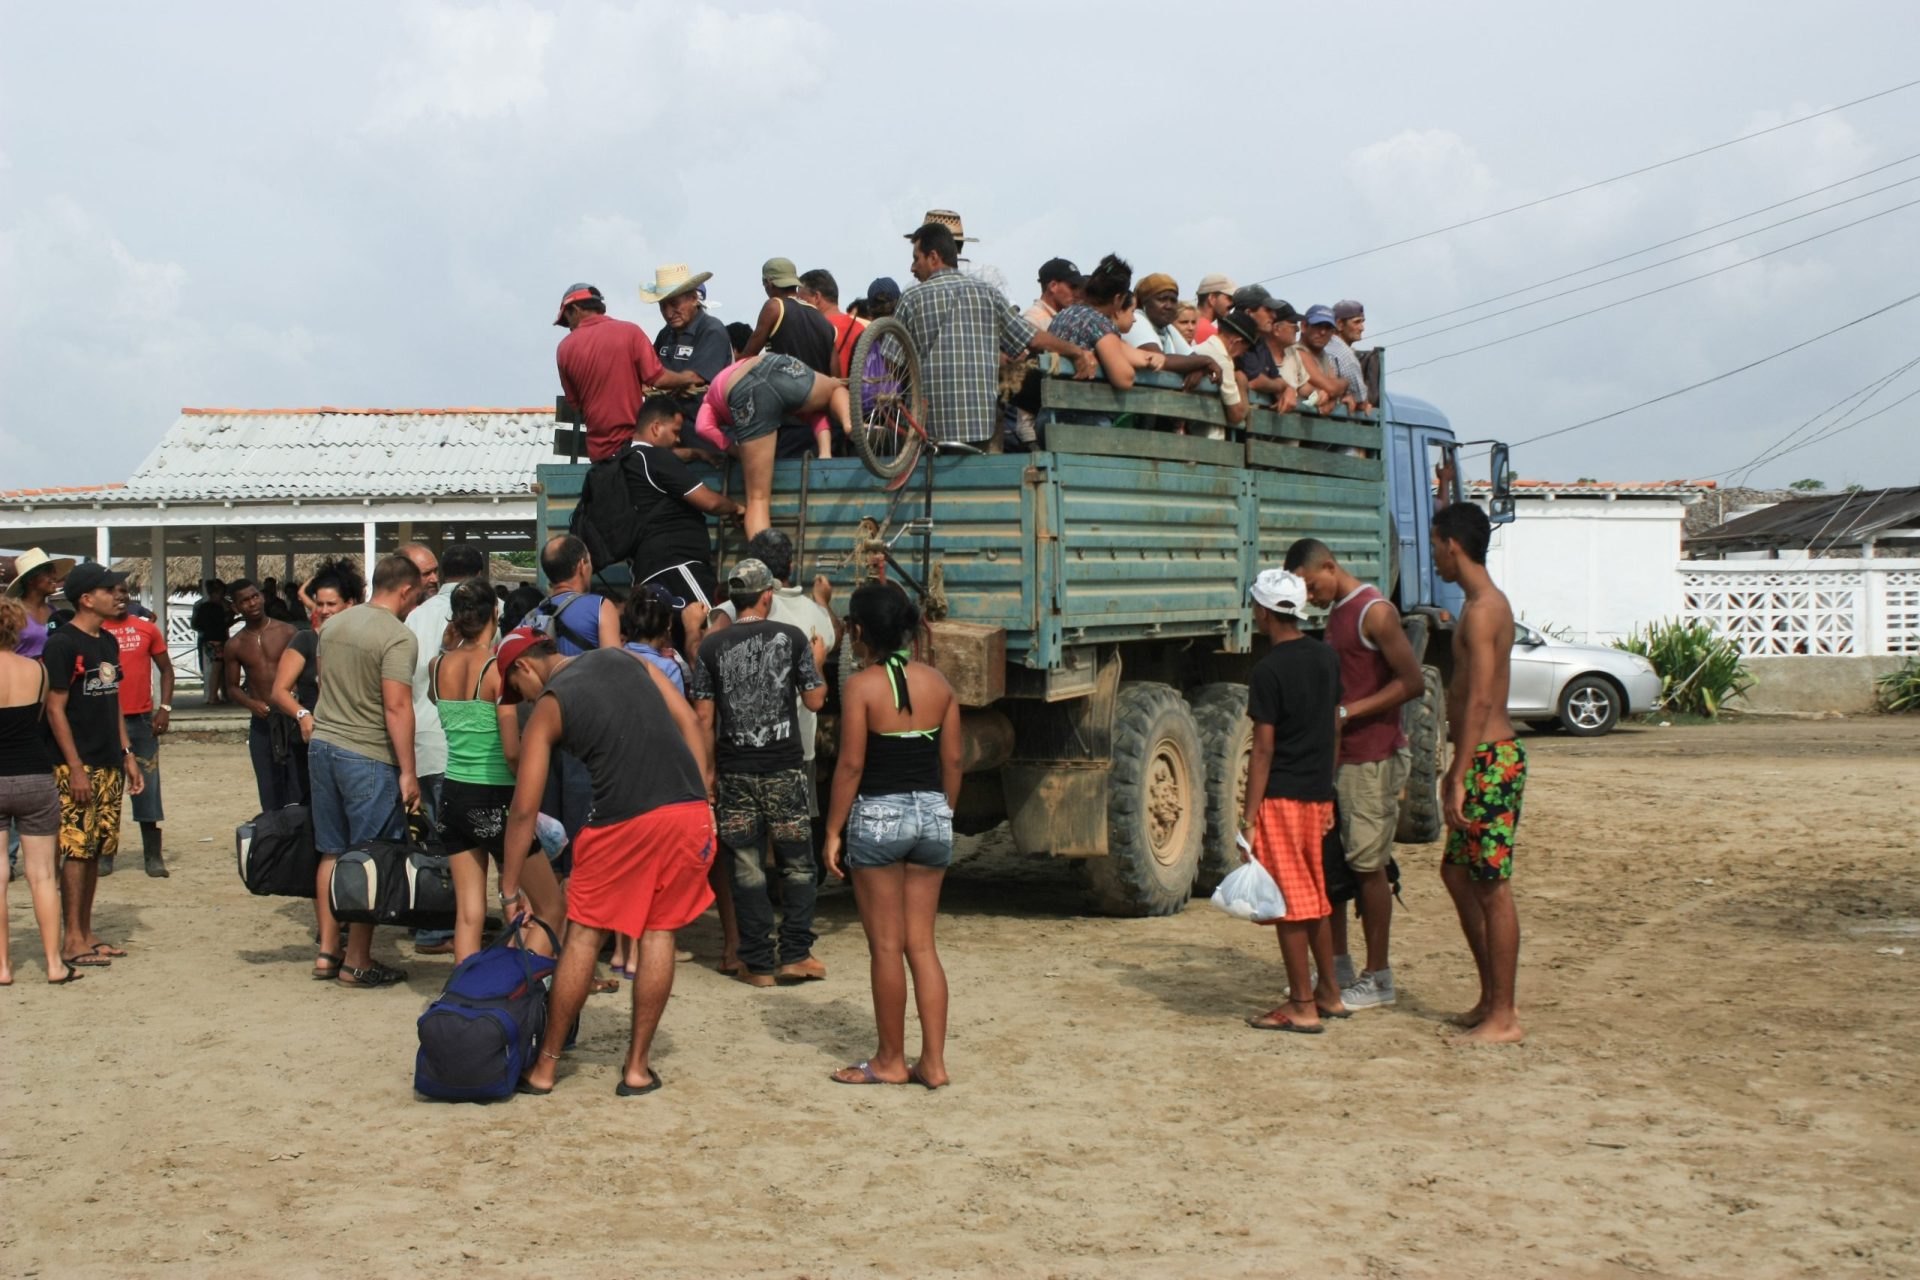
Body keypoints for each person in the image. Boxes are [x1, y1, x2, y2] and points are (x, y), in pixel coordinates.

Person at [497, 631, 718, 1097]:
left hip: (620, 823)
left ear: (524, 669)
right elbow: (689, 722)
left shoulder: (551, 705)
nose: (522, 702)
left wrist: (510, 886)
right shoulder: (626, 659)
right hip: (687, 814)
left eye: (518, 693)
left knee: (584, 932)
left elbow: (523, 809)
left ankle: (545, 1068)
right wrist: (702, 798)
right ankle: (637, 1069)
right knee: (659, 932)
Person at [821, 582, 962, 1088]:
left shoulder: (860, 688)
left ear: (858, 632)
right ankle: (936, 1063)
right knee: (921, 945)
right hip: (933, 816)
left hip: (879, 818)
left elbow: (852, 765)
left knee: (885, 946)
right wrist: (941, 814)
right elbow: (952, 760)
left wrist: (833, 831)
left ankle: (888, 1060)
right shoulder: (941, 685)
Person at [1285, 538, 1424, 1007]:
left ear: (1329, 565)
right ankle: (1339, 967)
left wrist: (1348, 713)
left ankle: (1379, 976)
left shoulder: (1374, 612)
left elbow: (1413, 681)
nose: (1309, 597)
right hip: (1341, 759)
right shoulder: (1338, 613)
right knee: (1335, 869)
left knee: (1369, 867)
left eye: (1310, 585)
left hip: (1372, 758)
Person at [690, 557, 826, 987]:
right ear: (767, 595)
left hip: (735, 773)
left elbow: (703, 719)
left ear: (734, 599)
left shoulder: (710, 647)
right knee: (797, 866)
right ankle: (796, 955)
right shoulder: (792, 638)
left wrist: (708, 772)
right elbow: (816, 701)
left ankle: (757, 963)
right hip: (784, 769)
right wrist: (817, 660)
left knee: (746, 869)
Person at [1432, 501, 1526, 1045]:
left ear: (1453, 545)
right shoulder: (1473, 606)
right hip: (1477, 760)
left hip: (1491, 761)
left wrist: (1461, 771)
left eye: (1436, 544)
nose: (1436, 556)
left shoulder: (1487, 608)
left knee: (1492, 886)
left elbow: (1481, 697)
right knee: (1457, 874)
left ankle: (1505, 1016)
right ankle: (1490, 998)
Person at [430, 581, 564, 963]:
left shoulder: (437, 664)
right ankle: (526, 987)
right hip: (494, 798)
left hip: (451, 795)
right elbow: (510, 751)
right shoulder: (496, 671)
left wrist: (446, 645)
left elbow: (431, 698)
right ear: (495, 615)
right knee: (549, 906)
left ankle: (463, 993)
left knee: (469, 913)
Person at [308, 553, 424, 990]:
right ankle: (357, 960)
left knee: (332, 851)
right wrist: (408, 771)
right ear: (408, 590)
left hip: (323, 746)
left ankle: (327, 950)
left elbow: (323, 684)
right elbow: (397, 706)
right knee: (371, 858)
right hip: (368, 754)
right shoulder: (397, 636)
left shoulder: (333, 624)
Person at [1239, 568, 1346, 1034]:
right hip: (1317, 795)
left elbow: (1263, 748)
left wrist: (1248, 817)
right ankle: (1330, 993)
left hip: (1281, 797)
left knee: (1287, 904)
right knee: (1316, 898)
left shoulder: (1267, 671)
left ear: (1263, 611)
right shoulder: (1325, 658)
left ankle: (1302, 1004)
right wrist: (1327, 791)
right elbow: (1335, 725)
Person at [894, 220, 1096, 450]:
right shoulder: (988, 292)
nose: (912, 267)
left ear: (933, 257)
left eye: (915, 258)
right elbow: (1032, 338)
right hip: (979, 427)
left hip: (925, 429)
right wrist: (1076, 351)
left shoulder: (910, 298)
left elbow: (892, 363)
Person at [42, 563, 146, 972]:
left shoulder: (107, 642)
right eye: (110, 589)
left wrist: (128, 753)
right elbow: (54, 709)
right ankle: (70, 939)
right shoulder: (63, 644)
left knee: (97, 849)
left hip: (108, 761)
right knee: (76, 850)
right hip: (75, 765)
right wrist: (75, 766)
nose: (119, 595)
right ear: (87, 598)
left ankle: (86, 932)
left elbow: (112, 700)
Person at [626, 394, 744, 651]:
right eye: (676, 431)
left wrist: (695, 453)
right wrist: (735, 507)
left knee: (671, 647)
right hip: (678, 566)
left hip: (644, 573)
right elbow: (709, 502)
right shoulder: (657, 458)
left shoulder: (625, 460)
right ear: (656, 428)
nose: (678, 439)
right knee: (715, 636)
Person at [692, 352, 855, 533]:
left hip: (745, 389)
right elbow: (813, 412)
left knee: (758, 500)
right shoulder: (735, 367)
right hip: (778, 364)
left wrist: (736, 451)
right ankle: (850, 425)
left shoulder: (709, 400)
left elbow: (702, 427)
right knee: (833, 387)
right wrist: (825, 453)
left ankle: (762, 559)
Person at [0, 597, 73, 983]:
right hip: (33, 774)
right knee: (43, 874)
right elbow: (40, 720)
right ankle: (53, 963)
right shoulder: (38, 671)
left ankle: (3, 966)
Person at [528, 535, 619, 843]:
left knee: (553, 831)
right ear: (582, 565)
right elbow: (614, 669)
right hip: (590, 731)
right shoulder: (600, 607)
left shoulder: (533, 615)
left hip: (546, 728)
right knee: (586, 825)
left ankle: (555, 883)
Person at [553, 282, 705, 462]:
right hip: (636, 448)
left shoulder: (564, 349)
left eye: (567, 319)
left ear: (575, 309)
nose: (570, 327)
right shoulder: (630, 331)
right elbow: (658, 379)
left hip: (599, 454)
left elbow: (576, 405)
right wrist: (687, 378)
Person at [269, 557, 363, 805]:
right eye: (319, 604)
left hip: (355, 742)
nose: (323, 610)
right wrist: (302, 715)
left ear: (349, 604)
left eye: (331, 604)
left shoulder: (362, 642)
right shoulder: (305, 641)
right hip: (312, 742)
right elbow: (279, 691)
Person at [103, 579, 174, 877]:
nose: (120, 598)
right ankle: (105, 854)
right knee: (107, 787)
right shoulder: (95, 632)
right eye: (113, 592)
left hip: (142, 719)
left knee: (147, 784)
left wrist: (165, 708)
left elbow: (167, 669)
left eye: (124, 593)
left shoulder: (146, 629)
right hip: (105, 720)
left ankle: (152, 855)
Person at [224, 579, 301, 812]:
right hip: (262, 723)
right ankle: (275, 842)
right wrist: (251, 703)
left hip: (292, 719)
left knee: (299, 786)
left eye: (254, 596)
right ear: (236, 608)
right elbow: (232, 687)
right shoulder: (235, 644)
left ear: (263, 596)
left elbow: (306, 672)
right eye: (244, 601)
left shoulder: (288, 632)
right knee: (269, 789)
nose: (252, 603)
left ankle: (301, 843)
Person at [1049, 254, 1165, 397]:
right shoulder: (1099, 323)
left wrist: (1149, 358)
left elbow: (1130, 353)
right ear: (1117, 299)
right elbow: (1125, 379)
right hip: (1083, 412)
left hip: (1053, 408)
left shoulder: (1063, 315)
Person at [642, 264, 731, 453]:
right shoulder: (665, 334)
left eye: (674, 304)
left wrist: (660, 381)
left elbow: (696, 377)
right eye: (663, 305)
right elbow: (649, 369)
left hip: (702, 433)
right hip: (669, 435)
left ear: (693, 299)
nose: (668, 313)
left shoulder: (712, 330)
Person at [1192, 309, 1257, 429]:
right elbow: (1237, 415)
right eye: (1245, 349)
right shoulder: (1222, 360)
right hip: (1207, 439)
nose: (1242, 355)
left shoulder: (1199, 348)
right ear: (1236, 342)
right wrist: (1242, 383)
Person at [8, 548, 75, 661]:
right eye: (48, 571)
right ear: (30, 579)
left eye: (54, 572)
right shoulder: (11, 614)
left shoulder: (57, 614)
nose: (54, 576)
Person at [799, 268, 865, 378]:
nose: (798, 306)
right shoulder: (861, 326)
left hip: (828, 393)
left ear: (816, 297)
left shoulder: (811, 329)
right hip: (859, 393)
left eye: (801, 300)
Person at [1297, 305, 1360, 413]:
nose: (1323, 332)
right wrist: (1344, 383)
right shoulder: (1298, 352)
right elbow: (1331, 387)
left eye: (1328, 328)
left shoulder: (1322, 355)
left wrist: (1335, 398)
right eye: (1318, 326)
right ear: (1304, 326)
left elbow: (1332, 389)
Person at [190, 579, 234, 705]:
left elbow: (197, 624)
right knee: (217, 669)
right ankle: (213, 696)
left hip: (207, 639)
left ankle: (215, 695)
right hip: (217, 640)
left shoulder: (202, 607)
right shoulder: (217, 608)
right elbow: (223, 624)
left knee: (216, 669)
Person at [1327, 300, 1374, 414]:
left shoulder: (1324, 346)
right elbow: (1361, 400)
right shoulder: (1345, 354)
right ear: (1339, 324)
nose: (1362, 328)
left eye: (1362, 322)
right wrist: (1366, 403)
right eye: (1356, 322)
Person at [1024, 257, 1082, 331]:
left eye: (1078, 288)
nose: (1077, 293)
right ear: (1053, 286)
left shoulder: (1065, 318)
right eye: (1072, 287)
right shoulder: (1033, 320)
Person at [1192, 273, 1235, 343]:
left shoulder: (1186, 325)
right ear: (1212, 299)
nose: (1232, 304)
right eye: (1229, 298)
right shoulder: (1210, 334)